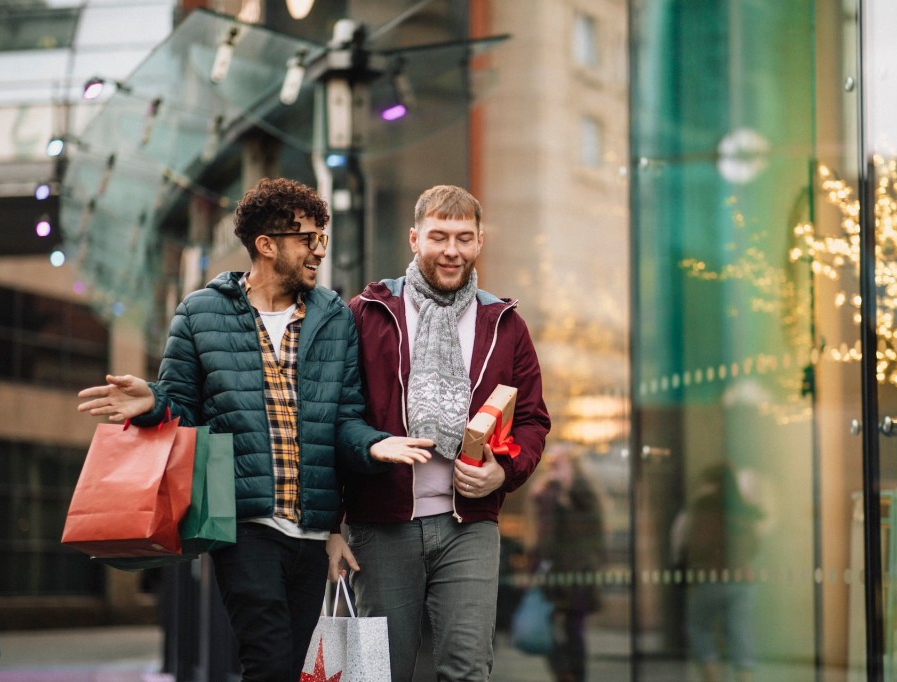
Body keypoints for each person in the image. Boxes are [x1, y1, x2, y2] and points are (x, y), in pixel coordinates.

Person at [76, 177, 433, 682]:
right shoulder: (200, 313)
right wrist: (154, 401)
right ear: (266, 246)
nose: (317, 251)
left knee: (296, 666)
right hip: (244, 527)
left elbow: (344, 421)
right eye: (307, 239)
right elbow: (184, 410)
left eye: (321, 238)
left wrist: (375, 449)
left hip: (311, 532)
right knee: (266, 662)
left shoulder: (333, 316)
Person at [338, 184, 552, 682]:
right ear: (415, 239)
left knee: (467, 667)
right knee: (378, 672)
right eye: (438, 236)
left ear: (480, 242)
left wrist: (504, 472)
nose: (451, 250)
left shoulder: (505, 323)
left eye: (463, 237)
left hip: (470, 523)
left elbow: (533, 420)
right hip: (381, 523)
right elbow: (334, 416)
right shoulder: (367, 313)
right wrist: (373, 446)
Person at [672, 462, 764, 682]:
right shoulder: (742, 506)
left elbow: (697, 543)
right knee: (740, 635)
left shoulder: (705, 505)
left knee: (699, 628)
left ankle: (712, 677)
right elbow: (755, 544)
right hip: (742, 580)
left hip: (712, 578)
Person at [528, 443, 606, 682]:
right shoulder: (549, 489)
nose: (555, 467)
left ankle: (574, 675)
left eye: (560, 461)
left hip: (577, 570)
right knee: (546, 625)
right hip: (553, 569)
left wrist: (563, 492)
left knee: (574, 629)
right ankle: (565, 673)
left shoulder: (582, 490)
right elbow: (543, 531)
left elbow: (589, 525)